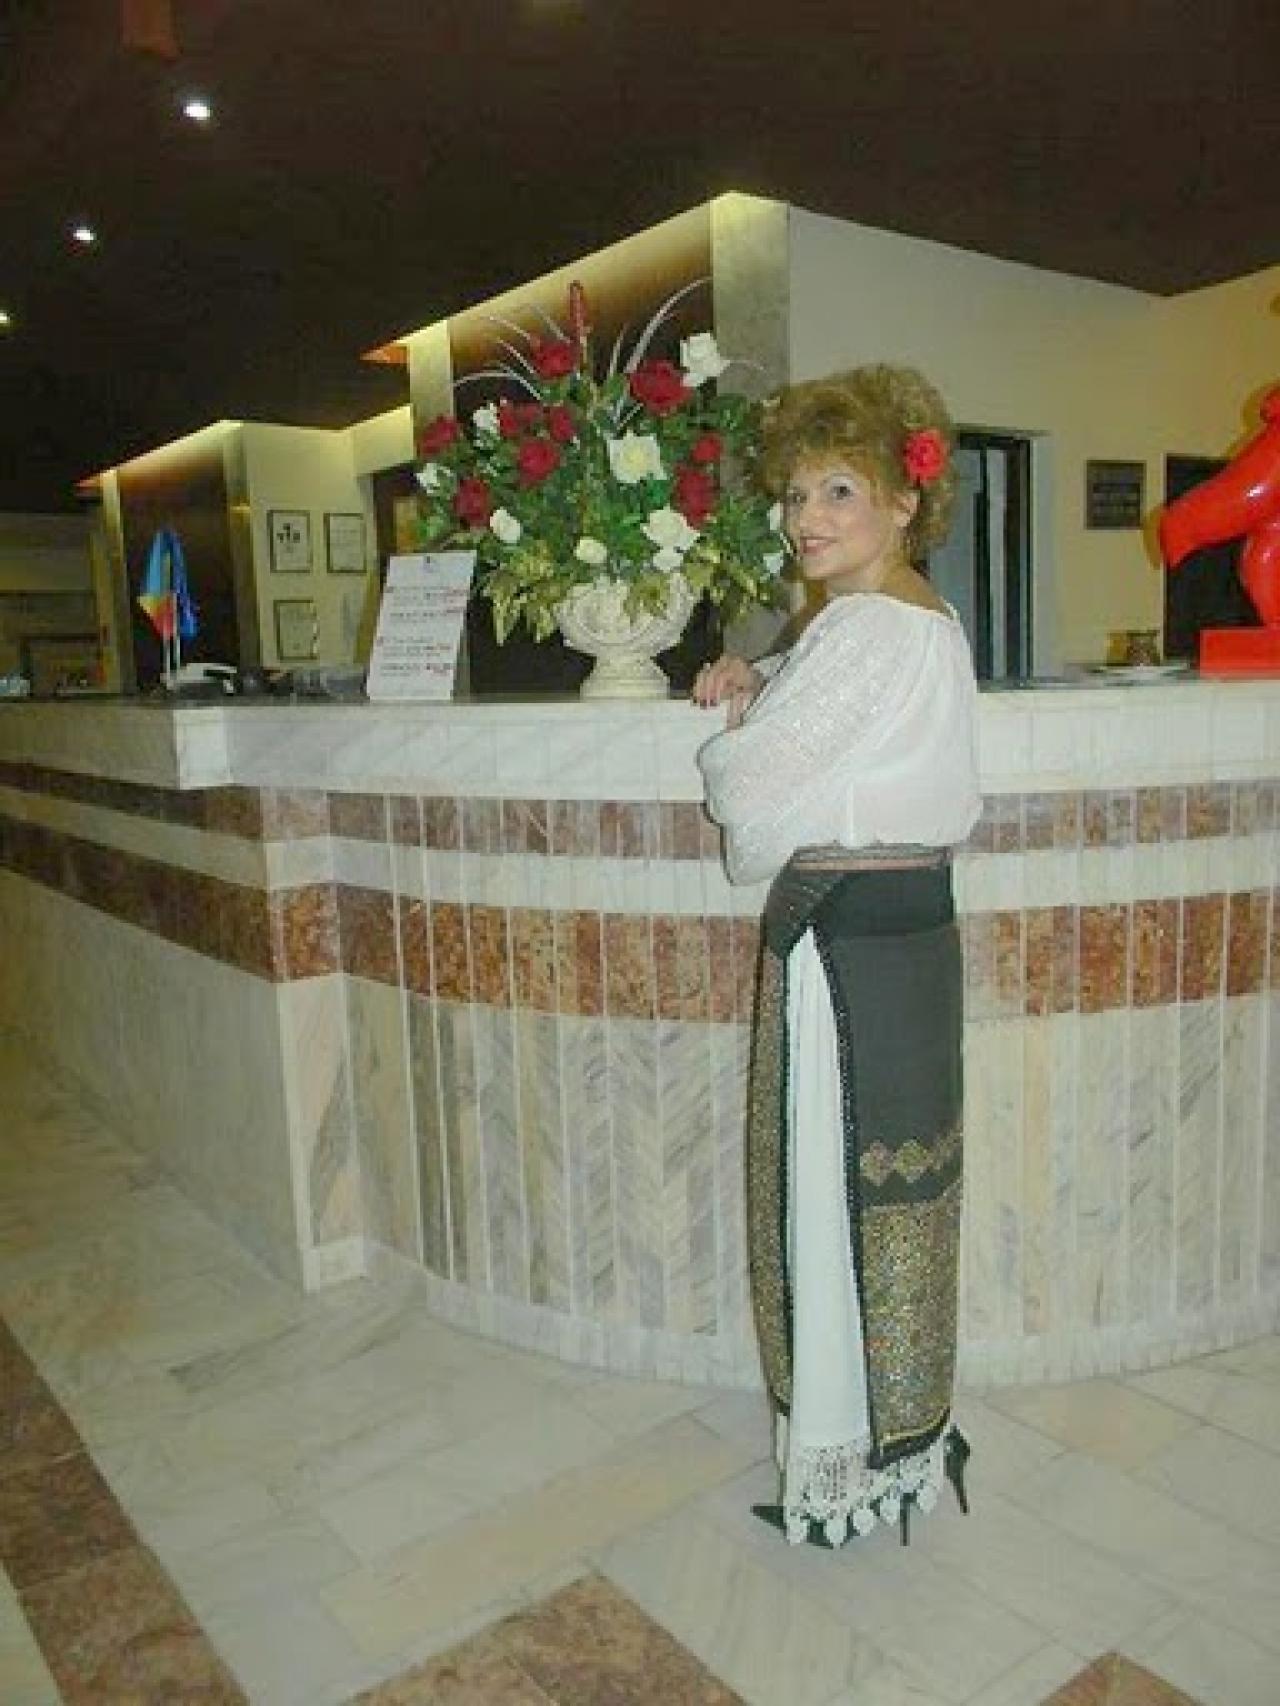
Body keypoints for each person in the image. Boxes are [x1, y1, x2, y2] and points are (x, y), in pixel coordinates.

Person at [695, 364, 982, 1547]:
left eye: (837, 491)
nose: (804, 517)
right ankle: (891, 1434)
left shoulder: (862, 628)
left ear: (904, 502)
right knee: (897, 1182)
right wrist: (760, 675)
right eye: (794, 493)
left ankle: (841, 1442)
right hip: (908, 932)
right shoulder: (917, 616)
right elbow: (832, 712)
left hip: (849, 942)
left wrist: (738, 729)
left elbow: (745, 786)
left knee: (832, 1183)